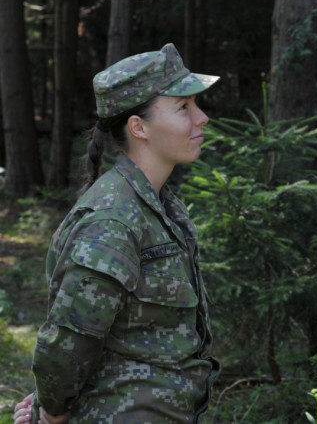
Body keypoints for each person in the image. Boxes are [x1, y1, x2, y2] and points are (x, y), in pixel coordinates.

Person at [13, 43, 220, 423]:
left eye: (196, 105)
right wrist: (51, 411)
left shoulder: (160, 205)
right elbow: (70, 341)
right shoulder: (113, 220)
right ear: (138, 127)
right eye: (183, 108)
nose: (201, 118)